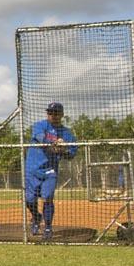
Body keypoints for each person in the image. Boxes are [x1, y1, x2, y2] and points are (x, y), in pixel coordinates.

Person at [25, 102, 77, 240]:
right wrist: (53, 143)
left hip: (50, 170)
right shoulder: (40, 125)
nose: (53, 115)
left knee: (47, 198)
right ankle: (36, 218)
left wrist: (64, 149)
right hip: (32, 168)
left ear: (62, 115)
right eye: (50, 112)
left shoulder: (67, 133)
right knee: (29, 200)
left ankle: (48, 227)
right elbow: (39, 137)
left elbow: (72, 153)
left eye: (56, 113)